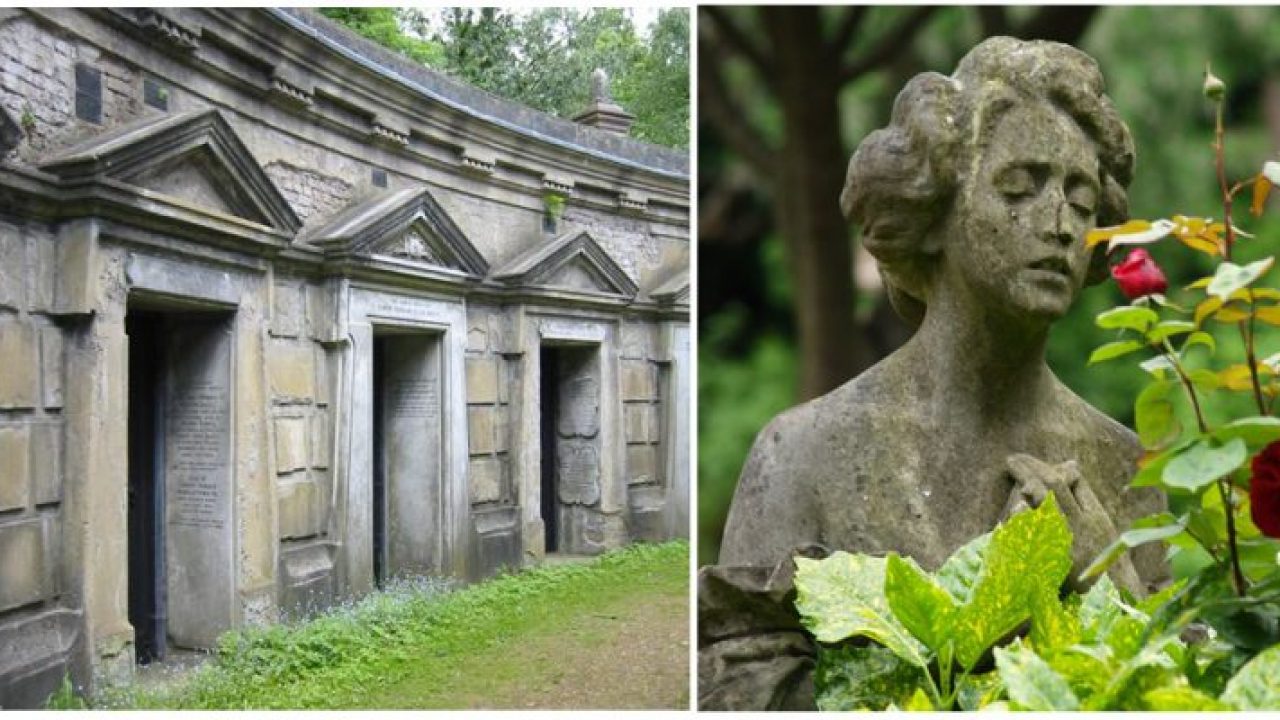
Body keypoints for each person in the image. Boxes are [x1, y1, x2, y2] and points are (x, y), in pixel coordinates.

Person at [697, 36, 1168, 711]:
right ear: (935, 207)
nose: (1060, 223)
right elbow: (740, 695)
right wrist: (984, 621)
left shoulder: (1126, 467)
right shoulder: (802, 456)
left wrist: (1105, 571)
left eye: (1082, 196)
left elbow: (1183, 690)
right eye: (1019, 187)